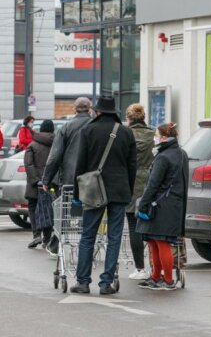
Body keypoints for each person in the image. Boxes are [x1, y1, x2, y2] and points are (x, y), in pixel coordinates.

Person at [70, 96, 137, 295]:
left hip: (93, 190)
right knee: (114, 237)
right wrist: (129, 190)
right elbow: (132, 165)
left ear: (97, 111)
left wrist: (76, 193)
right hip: (120, 190)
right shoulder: (125, 132)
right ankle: (106, 283)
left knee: (88, 236)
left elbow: (80, 164)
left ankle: (83, 282)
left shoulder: (88, 131)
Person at [135, 123, 188, 291]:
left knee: (160, 243)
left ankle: (167, 279)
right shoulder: (181, 153)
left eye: (156, 135)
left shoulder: (163, 157)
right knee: (155, 241)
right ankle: (157, 277)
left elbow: (153, 184)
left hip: (159, 204)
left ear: (164, 138)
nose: (154, 138)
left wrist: (142, 204)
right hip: (173, 203)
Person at [125, 104, 155, 280]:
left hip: (130, 182)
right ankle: (155, 266)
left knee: (133, 226)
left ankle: (140, 268)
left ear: (129, 118)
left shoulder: (126, 134)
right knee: (153, 227)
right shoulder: (152, 134)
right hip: (151, 181)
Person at [42, 97, 92, 188]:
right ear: (90, 110)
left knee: (69, 201)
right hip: (91, 179)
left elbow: (55, 156)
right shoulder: (95, 126)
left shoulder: (66, 128)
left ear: (74, 110)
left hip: (70, 179)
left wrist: (46, 180)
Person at [24, 120, 55, 249]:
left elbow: (28, 164)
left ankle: (36, 234)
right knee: (49, 209)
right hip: (52, 183)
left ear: (41, 129)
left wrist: (36, 180)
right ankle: (47, 238)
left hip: (35, 183)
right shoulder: (56, 144)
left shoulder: (33, 145)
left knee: (33, 207)